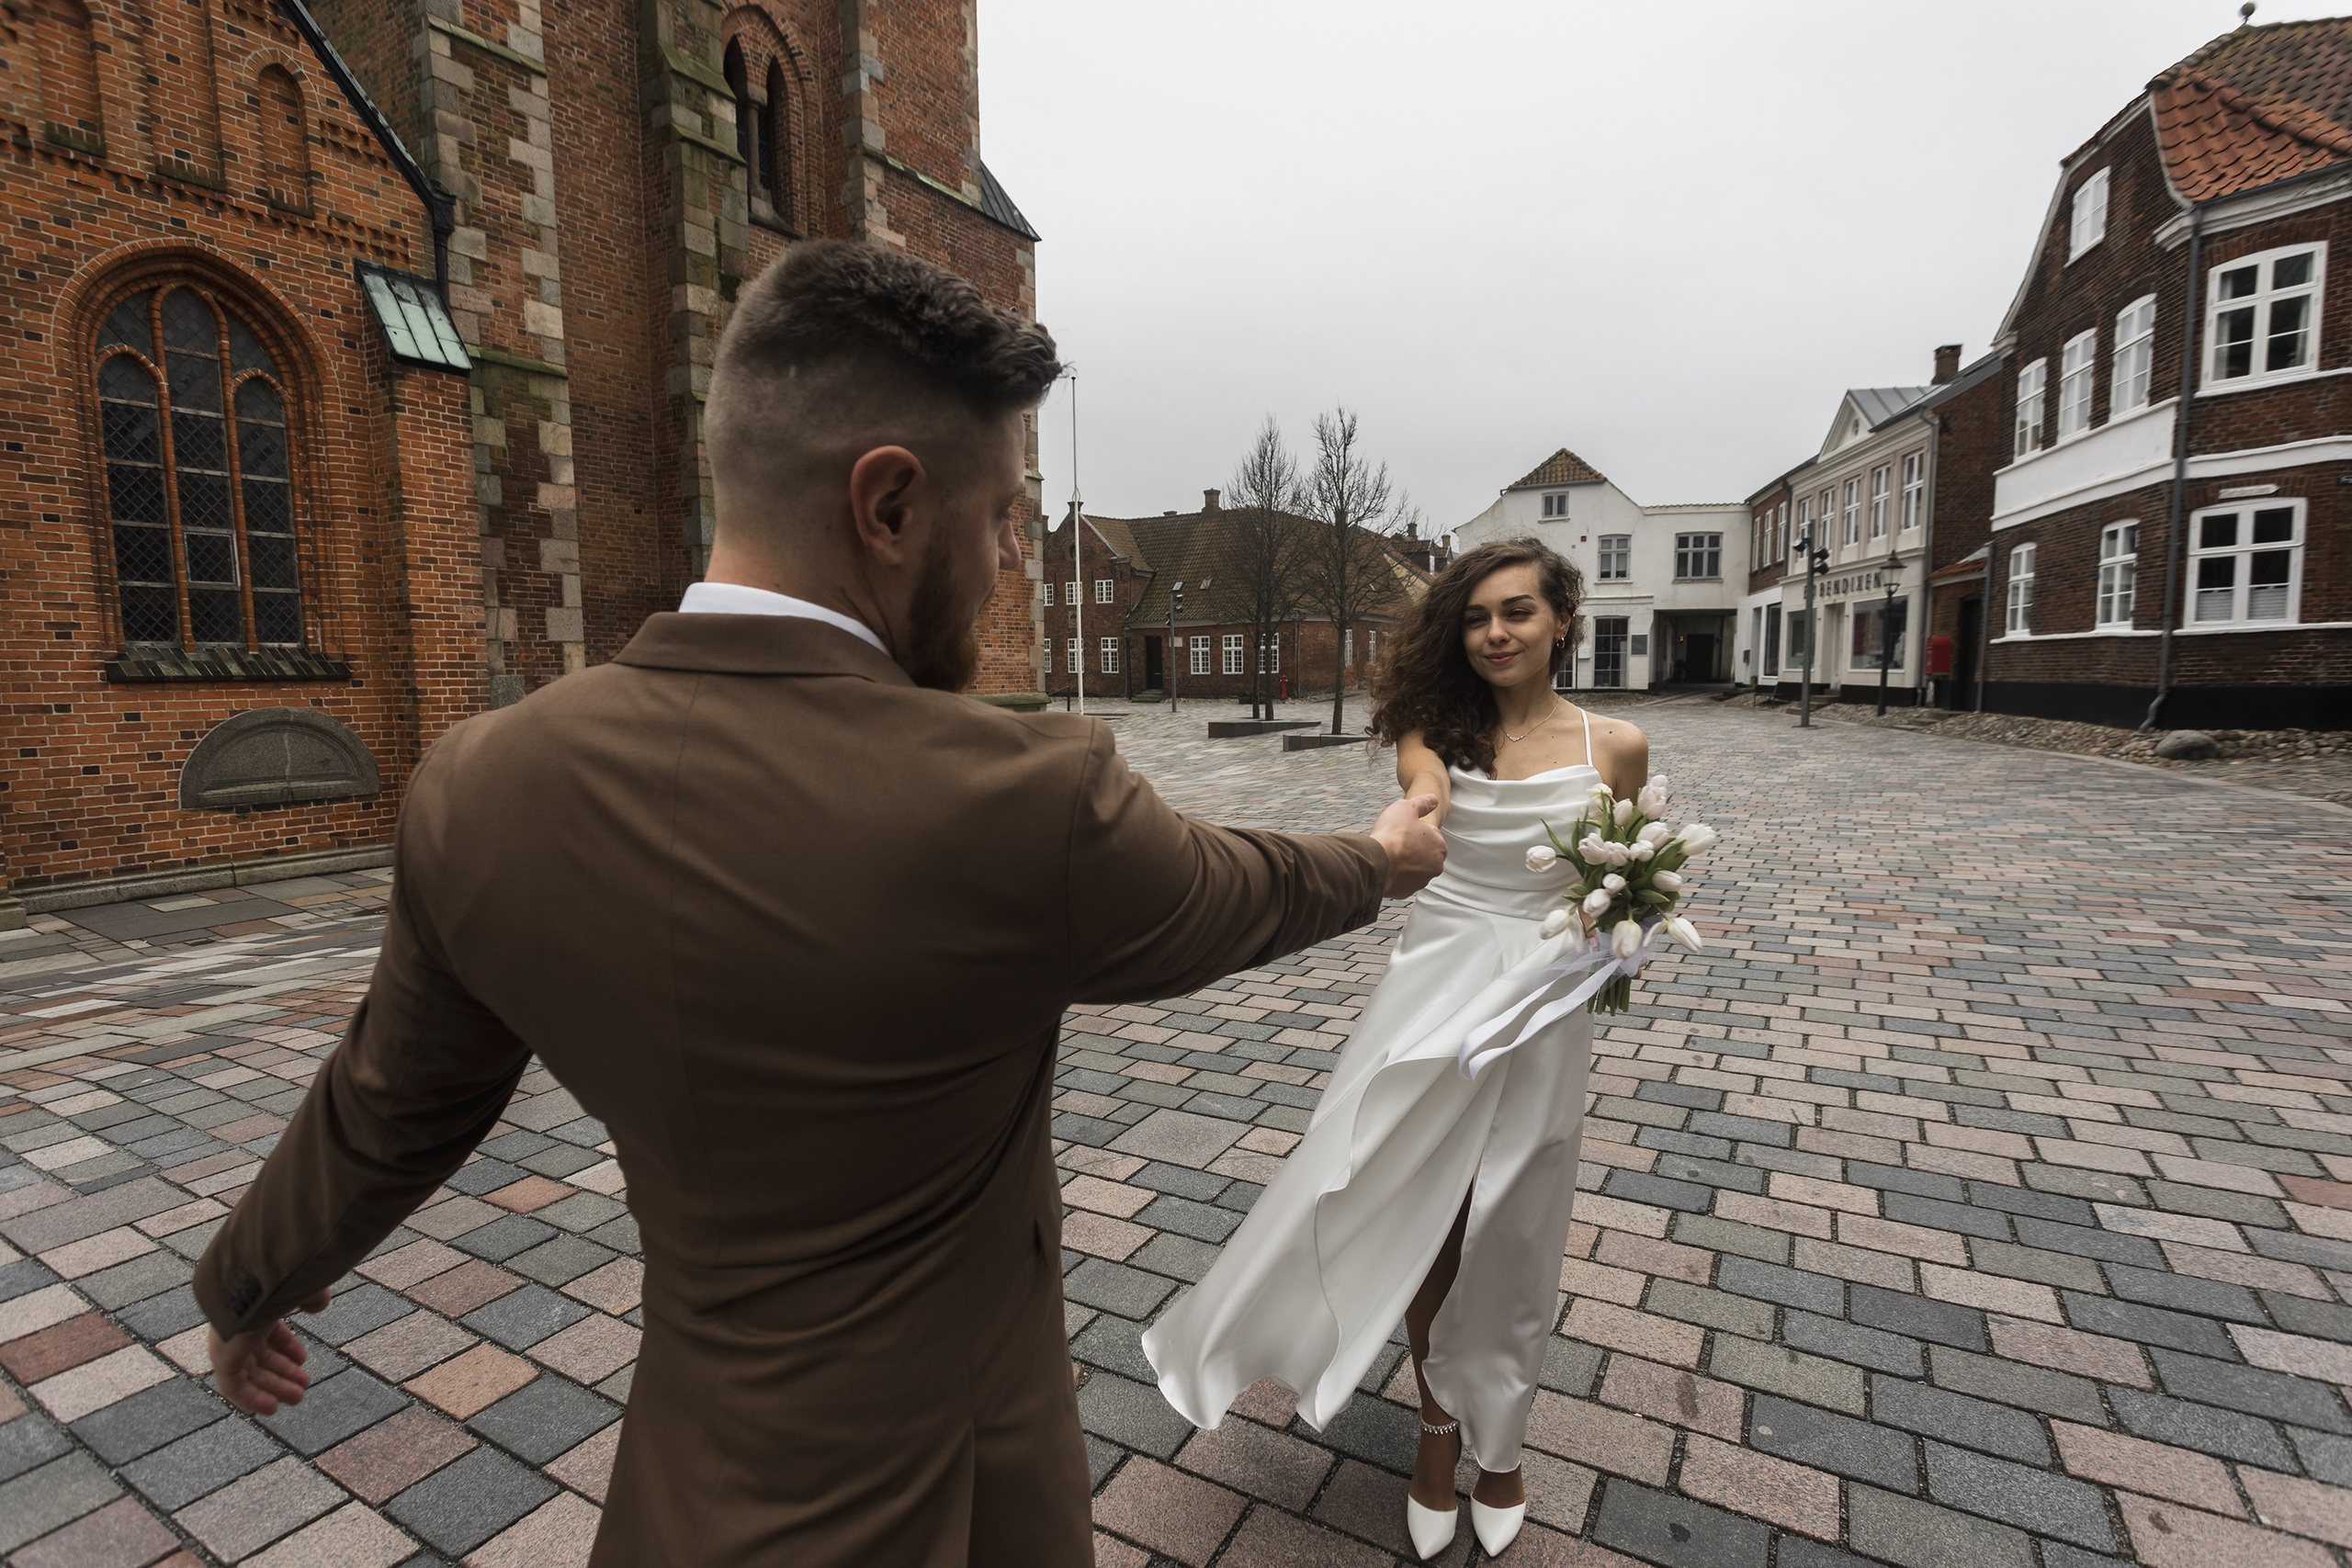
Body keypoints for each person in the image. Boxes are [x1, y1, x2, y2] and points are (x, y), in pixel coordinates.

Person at [192, 240, 1447, 1568]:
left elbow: (391, 1098)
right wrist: (1381, 857)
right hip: (961, 1499)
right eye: (1006, 514)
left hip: (686, 1484)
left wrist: (247, 1282)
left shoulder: (478, 784)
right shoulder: (1023, 795)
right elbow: (1235, 889)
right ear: (891, 505)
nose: (1014, 557)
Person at [1142, 537, 1646, 1561]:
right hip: (1433, 994)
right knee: (1418, 1208)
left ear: (1561, 621)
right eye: (1474, 617)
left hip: (1541, 1011)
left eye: (1516, 612)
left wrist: (1616, 939)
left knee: (1514, 1226)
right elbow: (1425, 798)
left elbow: (1620, 876)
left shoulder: (1617, 745)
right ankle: (1433, 1429)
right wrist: (1416, 811)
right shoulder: (1433, 732)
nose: (1495, 632)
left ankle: (1499, 1443)